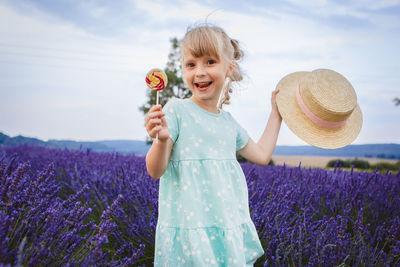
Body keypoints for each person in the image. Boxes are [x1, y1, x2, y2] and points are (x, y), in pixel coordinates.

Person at [144, 24, 282, 266]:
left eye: (210, 62)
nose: (199, 72)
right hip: (189, 231)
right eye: (191, 64)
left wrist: (277, 115)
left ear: (229, 68)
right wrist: (162, 139)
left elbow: (261, 155)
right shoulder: (176, 111)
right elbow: (155, 171)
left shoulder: (229, 123)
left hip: (224, 230)